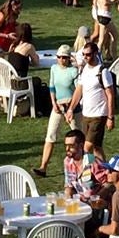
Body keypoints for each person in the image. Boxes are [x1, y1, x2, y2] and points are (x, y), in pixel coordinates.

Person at [66, 41, 118, 156]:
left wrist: (110, 117)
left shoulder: (103, 72)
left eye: (88, 54)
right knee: (96, 148)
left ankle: (85, 171)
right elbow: (79, 90)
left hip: (99, 115)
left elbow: (110, 95)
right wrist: (70, 109)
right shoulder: (84, 70)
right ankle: (104, 171)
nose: (85, 57)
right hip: (86, 114)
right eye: (84, 54)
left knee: (86, 147)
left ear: (95, 54)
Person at [36, 43, 80, 175]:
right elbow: (51, 87)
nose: (62, 60)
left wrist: (70, 108)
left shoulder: (74, 71)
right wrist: (54, 104)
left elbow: (78, 91)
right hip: (58, 107)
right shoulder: (54, 68)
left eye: (64, 57)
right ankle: (43, 167)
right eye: (59, 57)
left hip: (72, 107)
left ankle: (84, 166)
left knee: (79, 138)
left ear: (69, 58)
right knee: (50, 135)